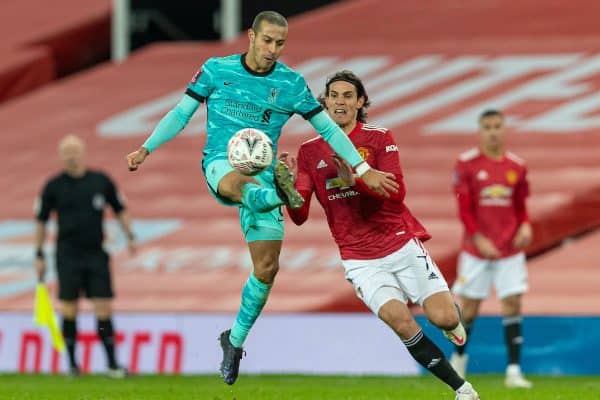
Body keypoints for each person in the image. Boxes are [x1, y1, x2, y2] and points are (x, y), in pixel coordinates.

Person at [124, 11, 397, 385]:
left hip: (266, 170)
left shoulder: (290, 84)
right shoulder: (216, 70)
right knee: (240, 184)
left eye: (280, 43)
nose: (272, 49)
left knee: (267, 269)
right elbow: (180, 113)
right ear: (251, 36)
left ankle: (233, 341)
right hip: (222, 163)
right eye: (267, 40)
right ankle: (275, 196)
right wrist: (146, 148)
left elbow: (329, 131)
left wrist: (362, 169)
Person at [279, 70, 480, 400]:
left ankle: (452, 323)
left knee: (442, 316)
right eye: (334, 96)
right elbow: (299, 216)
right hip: (359, 258)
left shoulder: (378, 137)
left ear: (360, 102)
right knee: (401, 323)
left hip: (399, 242)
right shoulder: (309, 151)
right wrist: (286, 190)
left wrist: (356, 180)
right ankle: (463, 389)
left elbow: (397, 192)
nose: (340, 102)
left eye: (348, 96)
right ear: (324, 102)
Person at [34, 135, 135, 377]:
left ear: (83, 152)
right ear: (60, 155)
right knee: (69, 308)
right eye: (66, 151)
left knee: (103, 306)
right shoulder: (53, 186)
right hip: (67, 254)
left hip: (96, 254)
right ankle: (72, 365)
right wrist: (38, 253)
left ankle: (112, 364)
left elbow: (120, 208)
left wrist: (130, 236)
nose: (71, 155)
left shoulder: (100, 181)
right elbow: (41, 221)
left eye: (75, 150)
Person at [449, 109, 533, 389]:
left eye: (498, 126)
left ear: (504, 129)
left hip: (509, 249)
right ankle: (458, 360)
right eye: (488, 127)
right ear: (480, 130)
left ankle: (513, 371)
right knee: (469, 308)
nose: (494, 132)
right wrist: (478, 238)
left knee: (513, 303)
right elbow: (464, 209)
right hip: (476, 251)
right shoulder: (466, 164)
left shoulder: (517, 166)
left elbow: (521, 207)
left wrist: (525, 226)